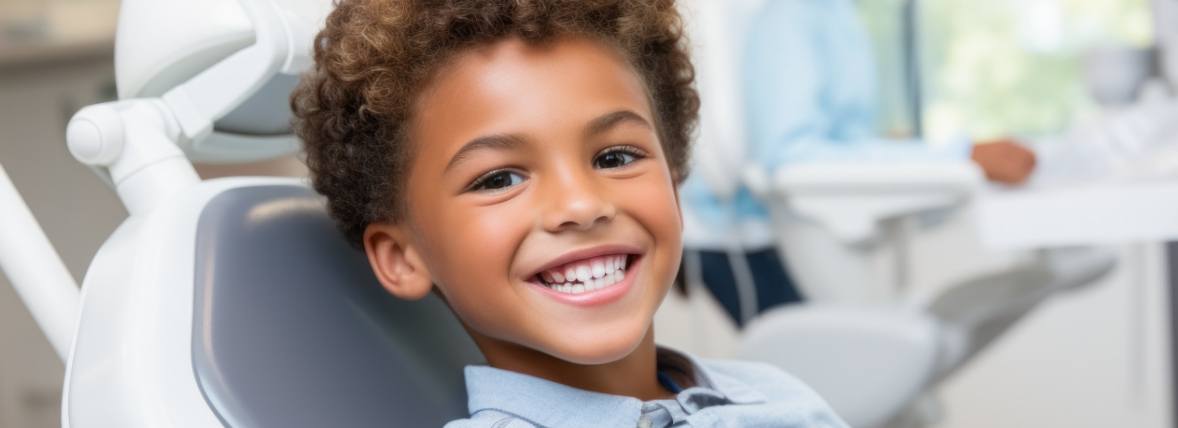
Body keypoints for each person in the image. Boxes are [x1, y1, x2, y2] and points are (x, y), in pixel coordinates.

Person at [290, 0, 847, 426]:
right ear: (403, 257)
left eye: (615, 157)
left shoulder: (781, 396)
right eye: (499, 179)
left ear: (674, 182)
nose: (581, 205)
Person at [680, 0, 1037, 326]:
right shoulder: (789, 19)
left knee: (876, 365)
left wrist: (928, 158)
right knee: (844, 375)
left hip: (783, 227)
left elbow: (842, 142)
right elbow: (790, 157)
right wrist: (958, 156)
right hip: (743, 235)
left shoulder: (835, 14)